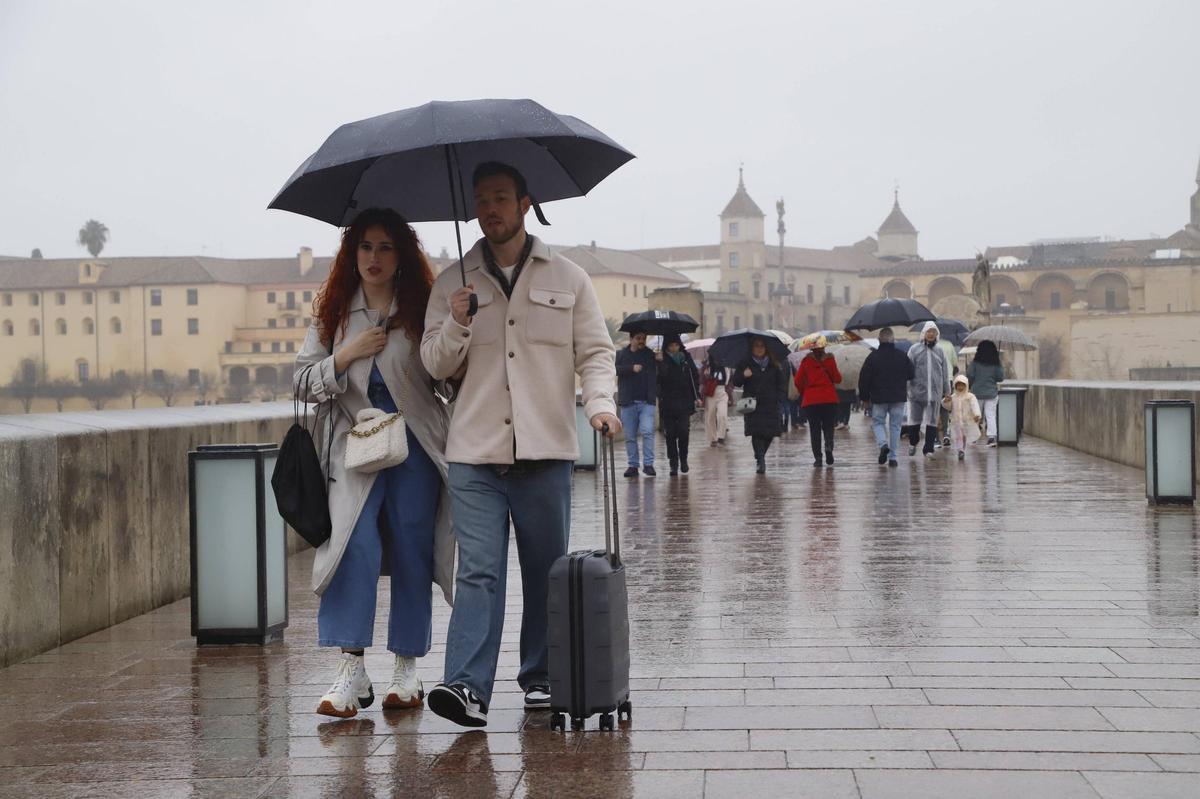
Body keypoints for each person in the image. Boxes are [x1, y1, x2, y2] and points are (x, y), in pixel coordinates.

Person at [420, 161, 620, 728]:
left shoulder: (569, 277)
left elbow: (595, 352)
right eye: (482, 200)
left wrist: (600, 404)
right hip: (474, 453)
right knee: (478, 572)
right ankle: (466, 686)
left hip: (545, 450)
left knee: (544, 571)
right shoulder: (452, 284)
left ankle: (541, 677)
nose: (491, 209)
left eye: (501, 197)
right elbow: (433, 364)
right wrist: (456, 323)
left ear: (525, 204)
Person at [293, 208, 453, 719]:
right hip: (353, 448)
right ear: (352, 254)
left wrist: (458, 331)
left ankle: (406, 666)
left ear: (401, 255)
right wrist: (346, 354)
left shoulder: (424, 309)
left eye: (385, 247)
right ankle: (351, 665)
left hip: (415, 446)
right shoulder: (334, 313)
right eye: (365, 246)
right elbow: (301, 382)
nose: (374, 257)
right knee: (352, 545)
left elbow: (447, 378)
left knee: (412, 548)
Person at [858, 327, 915, 467]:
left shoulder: (872, 357)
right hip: (898, 396)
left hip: (879, 397)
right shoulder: (902, 356)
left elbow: (864, 378)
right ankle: (893, 458)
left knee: (878, 423)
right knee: (895, 427)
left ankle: (883, 444)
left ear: (879, 340)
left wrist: (864, 397)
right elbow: (911, 374)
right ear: (893, 339)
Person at [731, 337, 788, 474]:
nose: (759, 349)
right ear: (752, 348)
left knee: (769, 433)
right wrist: (744, 375)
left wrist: (779, 397)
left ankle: (759, 455)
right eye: (756, 346)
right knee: (756, 433)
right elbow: (736, 382)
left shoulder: (774, 364)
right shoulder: (745, 363)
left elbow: (781, 383)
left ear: (766, 348)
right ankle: (761, 460)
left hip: (770, 404)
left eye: (762, 346)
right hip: (752, 404)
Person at [794, 336, 843, 467]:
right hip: (829, 399)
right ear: (824, 346)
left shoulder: (806, 361)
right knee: (829, 427)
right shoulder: (830, 360)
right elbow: (838, 379)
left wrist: (805, 392)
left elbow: (797, 381)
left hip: (811, 401)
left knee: (814, 430)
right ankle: (828, 445)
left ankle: (818, 458)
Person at [657, 333, 701, 475]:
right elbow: (659, 380)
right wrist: (660, 363)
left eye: (676, 345)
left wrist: (697, 396)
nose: (674, 348)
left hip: (684, 401)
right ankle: (673, 463)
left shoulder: (686, 358)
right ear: (666, 346)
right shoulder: (661, 359)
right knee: (670, 435)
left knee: (683, 432)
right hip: (668, 402)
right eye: (671, 346)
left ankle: (683, 459)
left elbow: (694, 377)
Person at [615, 331, 658, 477]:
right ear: (631, 339)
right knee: (630, 436)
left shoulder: (650, 355)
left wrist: (660, 361)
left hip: (647, 402)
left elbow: (659, 374)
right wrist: (631, 368)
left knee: (647, 431)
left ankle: (648, 464)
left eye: (644, 338)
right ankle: (633, 465)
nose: (641, 341)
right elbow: (614, 370)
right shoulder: (621, 354)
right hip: (628, 401)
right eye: (638, 338)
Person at [906, 321, 952, 457]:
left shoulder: (940, 351)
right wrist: (906, 388)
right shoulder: (914, 350)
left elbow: (945, 373)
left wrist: (947, 391)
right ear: (924, 333)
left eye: (933, 332)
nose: (931, 334)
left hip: (935, 393)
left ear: (937, 334)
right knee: (914, 422)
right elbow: (907, 370)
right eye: (929, 331)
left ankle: (928, 449)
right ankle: (913, 442)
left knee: (932, 422)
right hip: (916, 392)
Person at [966, 339, 1004, 446]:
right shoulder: (996, 363)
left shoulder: (975, 363)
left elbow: (970, 376)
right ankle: (991, 437)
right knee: (990, 415)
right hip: (991, 393)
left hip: (976, 393)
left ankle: (973, 437)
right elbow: (1000, 378)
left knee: (975, 415)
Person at [946, 374, 982, 460]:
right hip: (956, 421)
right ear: (955, 386)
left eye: (962, 385)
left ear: (966, 385)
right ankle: (960, 450)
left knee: (964, 436)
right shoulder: (953, 397)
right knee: (959, 436)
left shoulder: (970, 397)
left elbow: (975, 405)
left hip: (967, 421)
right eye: (958, 385)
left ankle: (962, 449)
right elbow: (948, 407)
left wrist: (977, 414)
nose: (960, 387)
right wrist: (946, 401)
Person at [935, 331, 960, 446]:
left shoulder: (929, 346)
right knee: (946, 407)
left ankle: (935, 438)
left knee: (934, 409)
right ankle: (946, 434)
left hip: (934, 381)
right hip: (948, 379)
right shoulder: (949, 344)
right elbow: (955, 364)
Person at [701, 354, 730, 446]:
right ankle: (713, 439)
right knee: (710, 417)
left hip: (722, 392)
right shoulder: (707, 367)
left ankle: (721, 436)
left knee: (722, 415)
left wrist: (729, 394)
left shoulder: (726, 367)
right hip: (711, 393)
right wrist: (705, 375)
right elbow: (701, 382)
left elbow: (729, 382)